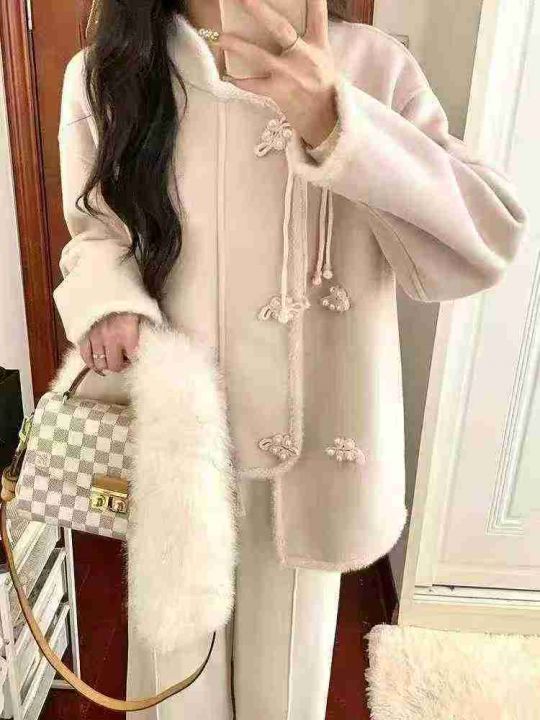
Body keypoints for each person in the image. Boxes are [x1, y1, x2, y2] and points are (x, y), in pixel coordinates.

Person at [55, 0, 526, 717]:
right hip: (175, 428)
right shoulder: (107, 72)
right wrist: (110, 301)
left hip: (315, 440)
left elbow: (484, 243)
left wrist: (339, 124)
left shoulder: (371, 66)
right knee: (175, 670)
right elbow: (96, 232)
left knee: (287, 685)